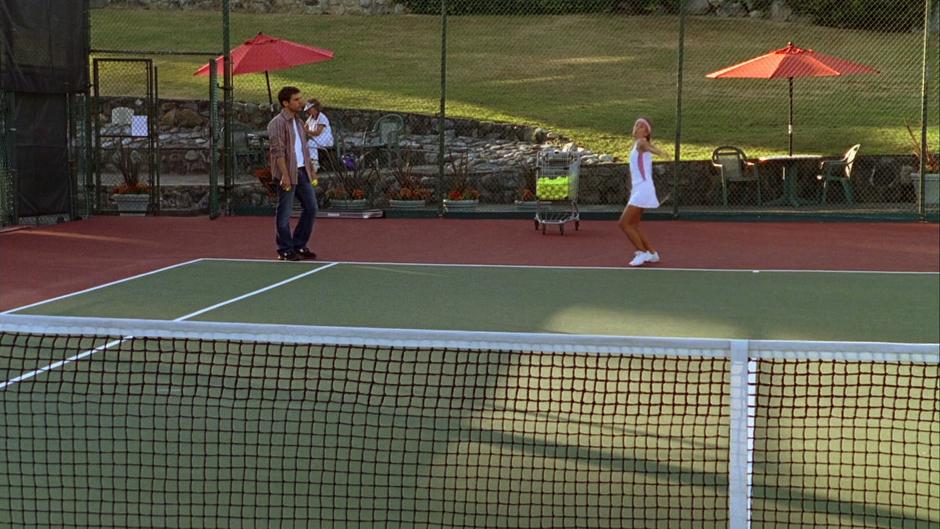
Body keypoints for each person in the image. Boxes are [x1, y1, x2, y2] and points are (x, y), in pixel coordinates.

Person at [267, 86, 318, 261]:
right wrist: (285, 175)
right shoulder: (277, 123)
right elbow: (278, 152)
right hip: (287, 173)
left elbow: (304, 148)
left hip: (302, 172)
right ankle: (285, 249)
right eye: (296, 100)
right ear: (285, 103)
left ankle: (299, 244)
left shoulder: (298, 122)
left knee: (311, 208)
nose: (300, 102)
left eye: (300, 98)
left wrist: (310, 168)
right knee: (285, 212)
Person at [620, 117, 664, 267]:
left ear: (646, 132)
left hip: (643, 189)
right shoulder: (638, 144)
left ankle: (642, 252)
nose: (635, 127)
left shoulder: (641, 142)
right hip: (640, 188)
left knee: (624, 224)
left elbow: (650, 148)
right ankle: (652, 253)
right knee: (634, 224)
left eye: (640, 126)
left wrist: (661, 152)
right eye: (635, 124)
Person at [303, 98, 334, 172]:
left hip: (325, 139)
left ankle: (314, 165)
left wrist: (306, 131)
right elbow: (305, 126)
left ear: (315, 108)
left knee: (311, 143)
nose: (308, 111)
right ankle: (306, 163)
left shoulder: (322, 117)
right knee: (304, 142)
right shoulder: (311, 118)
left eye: (310, 109)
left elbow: (317, 132)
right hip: (316, 138)